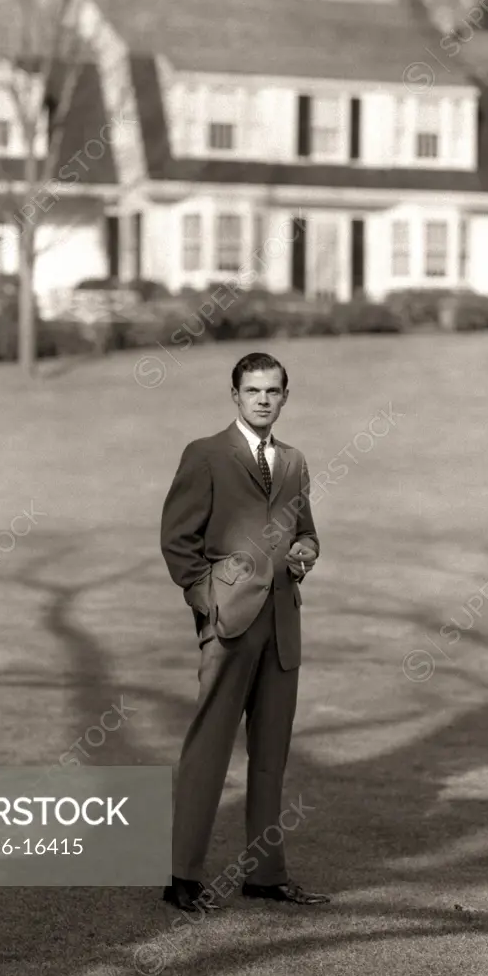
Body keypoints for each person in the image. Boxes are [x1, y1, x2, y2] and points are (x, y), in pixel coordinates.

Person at [159, 351, 330, 912]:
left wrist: (306, 550)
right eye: (252, 390)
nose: (262, 399)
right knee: (208, 748)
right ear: (235, 396)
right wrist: (208, 604)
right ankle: (182, 877)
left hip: (283, 625)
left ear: (285, 397)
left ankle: (265, 874)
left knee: (271, 755)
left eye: (272, 391)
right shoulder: (205, 454)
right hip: (229, 624)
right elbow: (178, 542)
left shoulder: (295, 462)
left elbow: (305, 533)